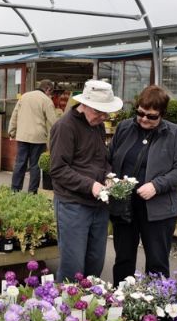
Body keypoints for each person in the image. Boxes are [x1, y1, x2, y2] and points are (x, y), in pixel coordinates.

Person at [108, 85, 177, 283]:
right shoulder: (125, 128)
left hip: (158, 211)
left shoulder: (174, 134)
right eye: (140, 113)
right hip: (125, 207)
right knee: (123, 260)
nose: (144, 119)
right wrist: (109, 177)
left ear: (162, 114)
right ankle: (121, 298)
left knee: (157, 263)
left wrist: (156, 185)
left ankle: (157, 301)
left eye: (151, 116)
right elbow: (109, 158)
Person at [50, 79, 123, 281]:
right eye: (99, 111)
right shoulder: (65, 127)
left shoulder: (96, 125)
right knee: (72, 266)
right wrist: (90, 185)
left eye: (106, 112)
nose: (103, 117)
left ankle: (91, 299)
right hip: (73, 205)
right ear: (85, 105)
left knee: (95, 263)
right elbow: (58, 169)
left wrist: (108, 176)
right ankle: (65, 300)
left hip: (98, 204)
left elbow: (101, 159)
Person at [8, 79, 57, 193]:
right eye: (51, 92)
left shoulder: (24, 97)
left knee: (20, 163)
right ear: (48, 89)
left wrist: (12, 131)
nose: (50, 95)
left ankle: (15, 190)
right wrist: (54, 139)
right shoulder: (46, 100)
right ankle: (32, 192)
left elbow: (15, 114)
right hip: (38, 138)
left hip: (22, 136)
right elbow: (53, 122)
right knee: (35, 166)